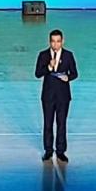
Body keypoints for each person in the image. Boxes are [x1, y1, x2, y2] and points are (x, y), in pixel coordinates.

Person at [34, 28, 78, 162]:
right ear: (49, 42)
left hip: (63, 96)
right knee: (48, 123)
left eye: (58, 41)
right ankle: (48, 150)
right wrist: (49, 67)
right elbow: (37, 74)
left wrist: (68, 78)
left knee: (61, 123)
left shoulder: (68, 55)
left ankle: (61, 151)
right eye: (53, 41)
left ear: (62, 41)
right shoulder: (43, 55)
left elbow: (75, 73)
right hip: (48, 95)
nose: (55, 44)